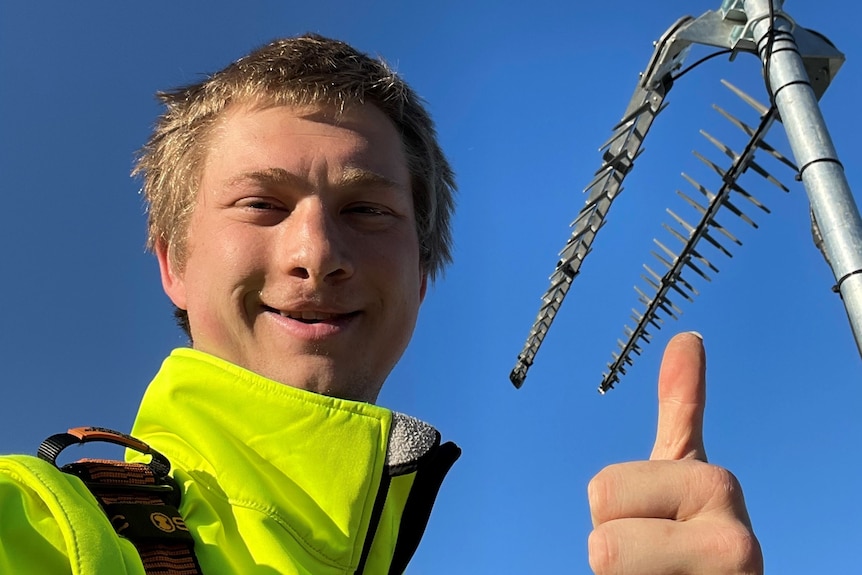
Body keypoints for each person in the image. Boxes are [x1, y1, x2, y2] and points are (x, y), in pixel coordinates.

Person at [0, 35, 762, 574]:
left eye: (368, 211)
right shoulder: (45, 526)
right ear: (173, 263)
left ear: (423, 271)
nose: (317, 252)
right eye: (261, 203)